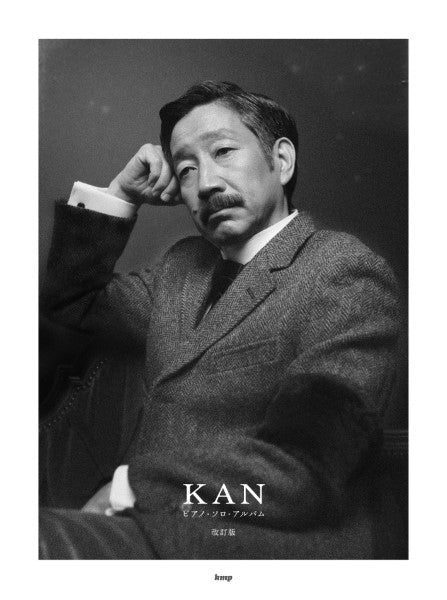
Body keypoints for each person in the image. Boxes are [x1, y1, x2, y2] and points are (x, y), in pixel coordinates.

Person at [39, 81, 402, 559]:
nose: (206, 183)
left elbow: (306, 467)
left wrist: (130, 488)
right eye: (186, 169)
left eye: (224, 152)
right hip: (150, 535)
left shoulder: (342, 270)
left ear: (282, 160)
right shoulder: (181, 268)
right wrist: (119, 194)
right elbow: (71, 306)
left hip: (255, 544)